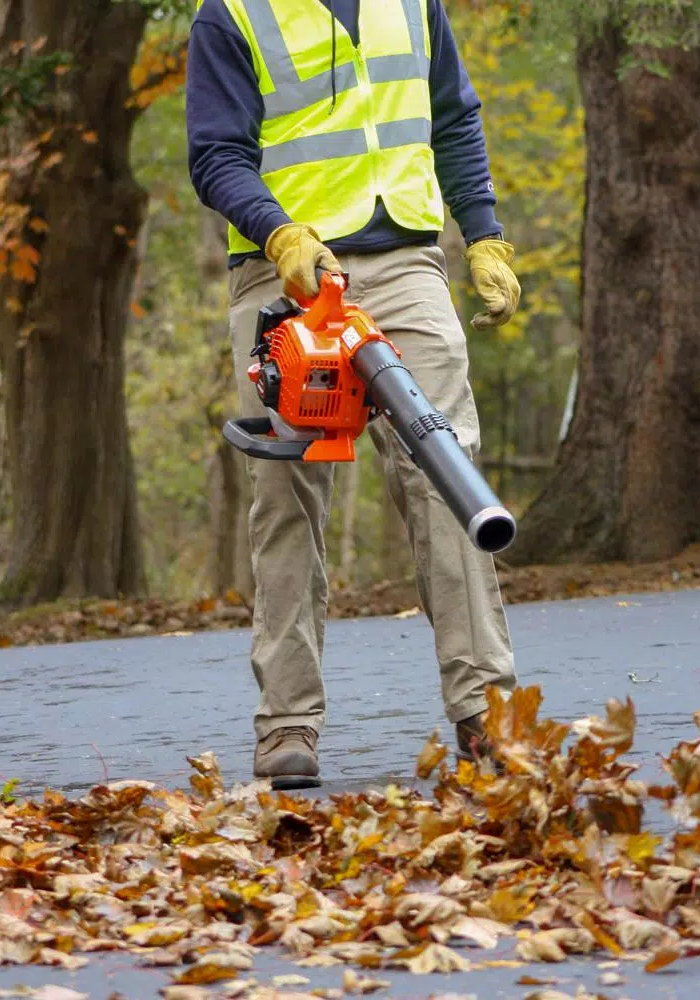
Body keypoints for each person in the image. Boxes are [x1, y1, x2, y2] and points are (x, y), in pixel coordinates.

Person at [186, 0, 520, 789]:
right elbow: (216, 156)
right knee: (286, 492)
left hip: (406, 262)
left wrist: (484, 234)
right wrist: (278, 231)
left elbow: (454, 117)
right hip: (284, 268)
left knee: (449, 472)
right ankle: (287, 725)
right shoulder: (231, 15)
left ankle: (488, 717)